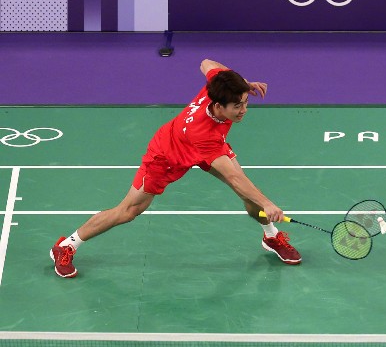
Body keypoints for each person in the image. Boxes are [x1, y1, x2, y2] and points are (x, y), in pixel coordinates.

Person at [49, 59, 301, 278]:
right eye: (238, 106)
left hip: (202, 147)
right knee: (128, 211)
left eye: (245, 102)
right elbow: (233, 177)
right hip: (166, 156)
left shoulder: (218, 86)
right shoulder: (205, 133)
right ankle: (67, 245)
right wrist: (268, 203)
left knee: (249, 194)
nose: (244, 110)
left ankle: (270, 236)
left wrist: (243, 84)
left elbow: (206, 63)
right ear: (218, 105)